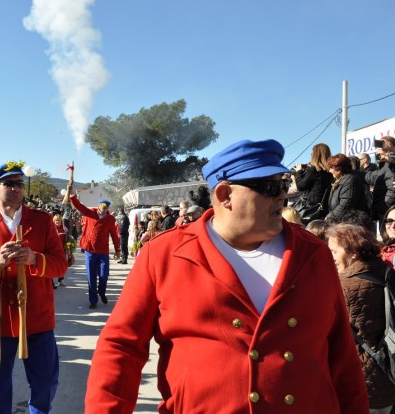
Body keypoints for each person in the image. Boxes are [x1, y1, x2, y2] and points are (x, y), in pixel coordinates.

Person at [85, 139, 368, 412]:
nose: (282, 194)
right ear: (224, 195)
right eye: (268, 187)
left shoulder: (313, 255)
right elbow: (121, 347)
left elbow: (342, 356)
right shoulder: (164, 254)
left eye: (282, 184)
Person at [0, 162, 67, 414]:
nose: (15, 189)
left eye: (19, 184)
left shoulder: (43, 221)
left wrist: (34, 259)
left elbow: (60, 266)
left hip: (37, 316)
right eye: (8, 184)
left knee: (45, 381)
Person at [327, 223, 395, 412]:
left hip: (361, 378)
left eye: (334, 251)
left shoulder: (346, 286)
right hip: (388, 369)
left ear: (353, 253)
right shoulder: (387, 272)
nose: (330, 257)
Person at [68, 191, 120, 309]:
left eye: (105, 208)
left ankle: (101, 291)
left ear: (108, 209)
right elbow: (79, 206)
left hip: (103, 251)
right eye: (101, 207)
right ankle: (93, 300)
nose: (103, 210)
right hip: (90, 250)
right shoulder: (90, 213)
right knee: (91, 276)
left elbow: (115, 236)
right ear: (98, 206)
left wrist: (118, 250)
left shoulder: (110, 219)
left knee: (104, 275)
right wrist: (72, 196)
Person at [292, 143, 333, 218]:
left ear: (315, 155)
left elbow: (301, 186)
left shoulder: (314, 170)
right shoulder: (331, 171)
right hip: (325, 207)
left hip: (311, 208)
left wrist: (299, 172)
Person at [326, 153, 369, 221]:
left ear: (338, 169)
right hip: (340, 221)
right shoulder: (337, 180)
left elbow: (345, 205)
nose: (329, 171)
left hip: (352, 223)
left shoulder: (351, 180)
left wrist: (330, 218)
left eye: (331, 168)